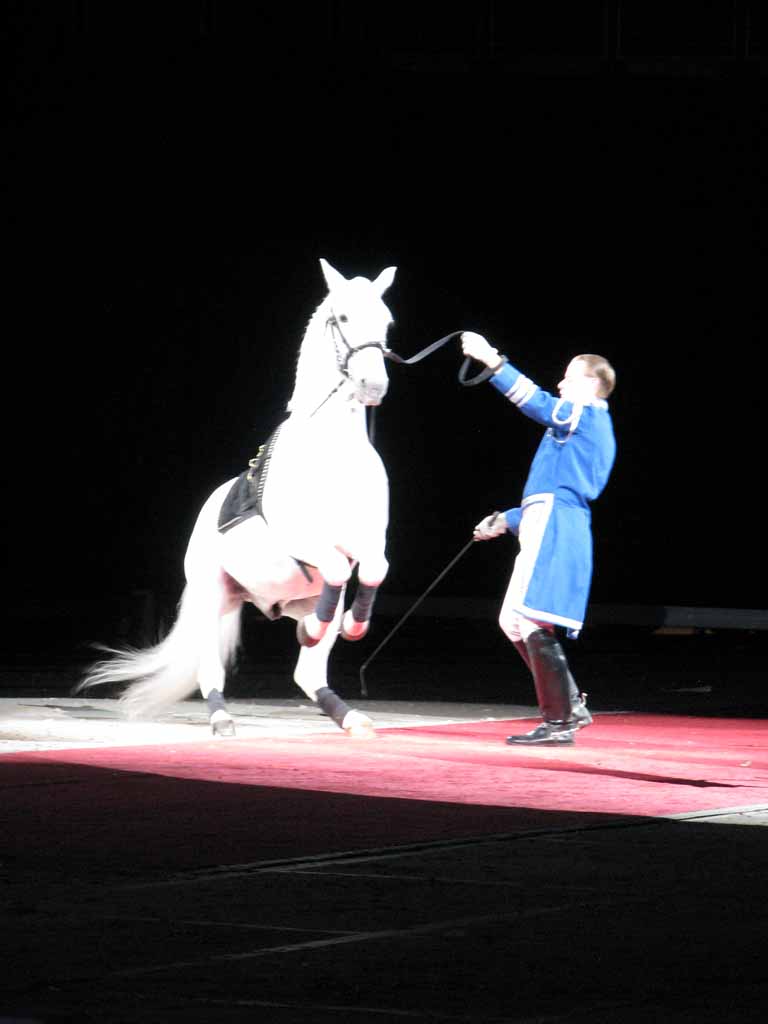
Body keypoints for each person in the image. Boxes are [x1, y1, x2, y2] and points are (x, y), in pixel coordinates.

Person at [461, 332, 617, 746]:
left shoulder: (586, 414)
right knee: (513, 619)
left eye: (569, 378)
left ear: (588, 384)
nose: (561, 384)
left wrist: (491, 360)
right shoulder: (579, 424)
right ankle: (568, 708)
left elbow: (537, 403)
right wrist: (504, 520)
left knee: (527, 618)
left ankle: (561, 719)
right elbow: (550, 489)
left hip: (556, 524)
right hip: (547, 519)